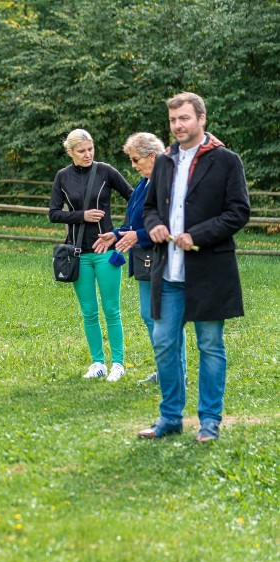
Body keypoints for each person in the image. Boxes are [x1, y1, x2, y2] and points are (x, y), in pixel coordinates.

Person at [139, 92, 250, 442]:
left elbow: (238, 211)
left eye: (184, 118)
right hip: (168, 272)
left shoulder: (226, 160)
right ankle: (170, 417)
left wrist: (196, 234)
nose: (178, 126)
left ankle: (209, 421)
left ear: (202, 118)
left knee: (210, 344)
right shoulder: (164, 161)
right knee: (164, 343)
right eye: (173, 120)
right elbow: (150, 207)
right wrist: (155, 224)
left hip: (209, 271)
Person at [94, 133, 187, 385]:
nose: (133, 165)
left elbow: (172, 224)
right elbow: (133, 221)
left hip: (164, 257)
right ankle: (164, 370)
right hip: (144, 258)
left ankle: (178, 372)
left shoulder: (169, 182)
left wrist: (140, 236)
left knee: (166, 316)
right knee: (149, 315)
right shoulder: (144, 183)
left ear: (153, 157)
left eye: (136, 159)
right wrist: (115, 234)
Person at [49, 129, 133, 382]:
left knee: (112, 310)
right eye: (81, 151)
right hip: (77, 254)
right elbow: (53, 213)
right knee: (88, 312)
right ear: (71, 152)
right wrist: (81, 216)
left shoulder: (106, 171)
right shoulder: (62, 177)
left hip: (106, 251)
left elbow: (136, 199)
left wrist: (121, 232)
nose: (88, 154)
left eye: (90, 149)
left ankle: (118, 363)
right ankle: (98, 363)